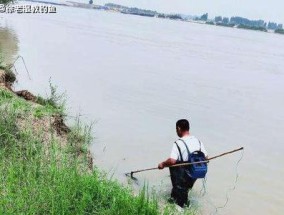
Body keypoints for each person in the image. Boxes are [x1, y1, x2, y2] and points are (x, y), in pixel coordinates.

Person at [158, 119, 208, 208]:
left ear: (179, 128)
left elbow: (172, 161)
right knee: (184, 191)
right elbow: (206, 158)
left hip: (182, 175)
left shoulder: (178, 143)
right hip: (194, 174)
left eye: (176, 129)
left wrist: (162, 164)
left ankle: (179, 209)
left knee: (178, 198)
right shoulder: (198, 141)